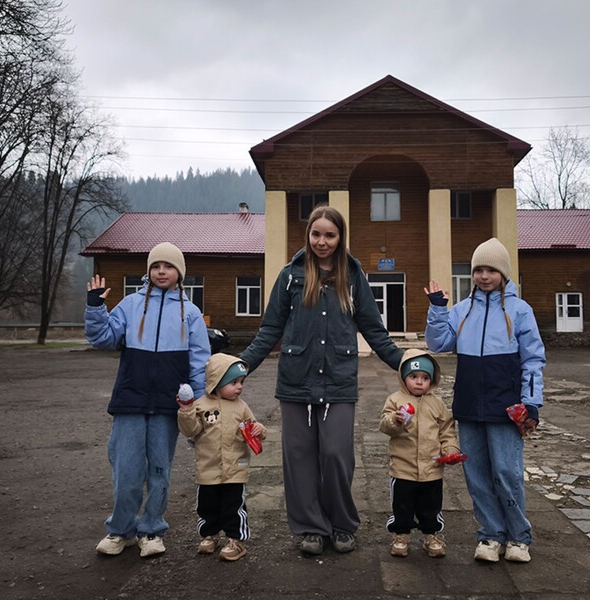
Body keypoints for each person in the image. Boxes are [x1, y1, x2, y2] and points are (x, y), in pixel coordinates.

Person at [239, 205, 404, 556]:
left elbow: (375, 330)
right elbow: (270, 329)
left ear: (340, 236)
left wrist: (404, 362)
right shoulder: (290, 275)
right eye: (316, 234)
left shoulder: (354, 276)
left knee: (335, 455)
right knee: (299, 457)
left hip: (339, 381)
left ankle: (342, 525)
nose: (322, 241)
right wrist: (241, 365)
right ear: (308, 235)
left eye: (330, 235)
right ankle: (312, 528)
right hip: (296, 381)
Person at [85, 242, 211, 558]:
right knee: (126, 470)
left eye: (168, 266)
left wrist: (195, 401)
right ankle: (121, 531)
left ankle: (151, 530)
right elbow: (103, 339)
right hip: (130, 399)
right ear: (149, 271)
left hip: (169, 405)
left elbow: (199, 360)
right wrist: (95, 308)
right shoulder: (130, 305)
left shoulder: (191, 312)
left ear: (179, 272)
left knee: (159, 470)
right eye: (156, 266)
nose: (161, 271)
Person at [424, 237, 545, 564]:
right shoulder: (462, 311)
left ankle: (519, 537)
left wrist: (531, 401)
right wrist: (438, 309)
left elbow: (533, 359)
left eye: (491, 269)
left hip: (507, 409)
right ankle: (490, 535)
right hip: (469, 407)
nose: (484, 276)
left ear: (503, 273)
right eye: (478, 269)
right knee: (476, 475)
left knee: (506, 472)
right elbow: (438, 343)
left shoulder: (521, 311)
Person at [176, 353, 266, 562]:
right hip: (208, 468)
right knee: (207, 506)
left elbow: (252, 426)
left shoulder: (241, 406)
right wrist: (187, 411)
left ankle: (236, 540)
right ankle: (210, 535)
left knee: (233, 506)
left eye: (241, 382)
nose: (239, 387)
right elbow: (191, 431)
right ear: (216, 382)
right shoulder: (201, 405)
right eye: (233, 382)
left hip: (235, 468)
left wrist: (260, 430)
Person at [379, 349, 460, 559]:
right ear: (403, 377)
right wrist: (395, 421)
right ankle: (400, 535)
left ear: (432, 381)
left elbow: (446, 430)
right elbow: (385, 427)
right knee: (402, 505)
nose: (418, 382)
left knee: (430, 506)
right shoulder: (395, 400)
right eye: (413, 377)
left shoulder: (437, 404)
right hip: (403, 467)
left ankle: (431, 535)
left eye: (425, 378)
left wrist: (450, 449)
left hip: (432, 469)